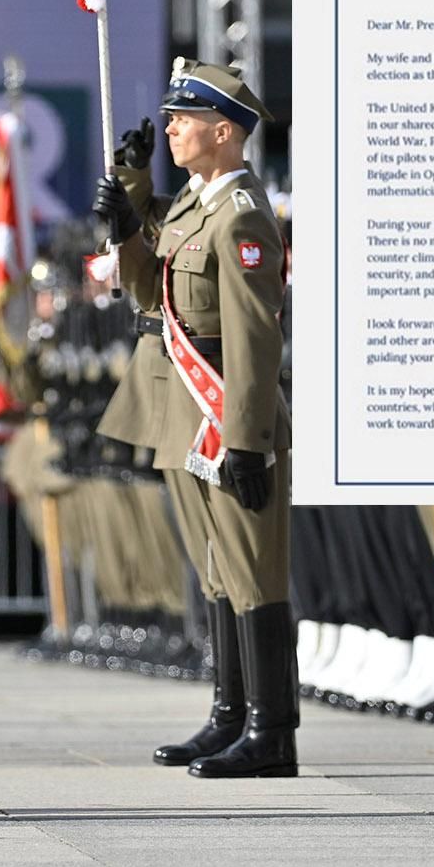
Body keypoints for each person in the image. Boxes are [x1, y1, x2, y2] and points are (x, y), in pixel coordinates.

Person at [91, 59, 294, 778]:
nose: (170, 128)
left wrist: (246, 437)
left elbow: (252, 335)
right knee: (215, 573)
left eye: (183, 119)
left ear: (222, 130)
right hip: (186, 412)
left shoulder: (241, 214)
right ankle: (228, 716)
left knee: (253, 573)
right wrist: (129, 220)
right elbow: (149, 295)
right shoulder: (190, 205)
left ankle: (272, 732)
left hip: (225, 417)